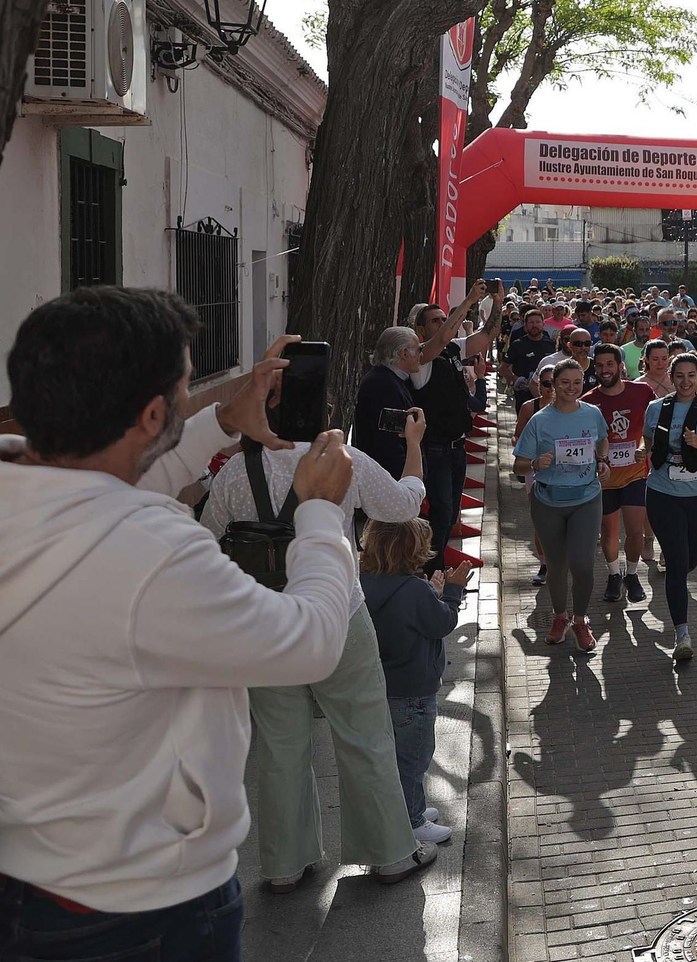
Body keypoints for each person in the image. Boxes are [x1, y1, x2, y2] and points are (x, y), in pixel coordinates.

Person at [0, 288, 366, 959]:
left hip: (25, 898)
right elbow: (311, 640)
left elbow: (94, 498)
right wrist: (323, 515)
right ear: (154, 413)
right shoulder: (151, 554)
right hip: (150, 911)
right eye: (183, 397)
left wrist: (218, 419)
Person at [202, 399, 445, 889]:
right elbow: (403, 507)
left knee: (280, 744)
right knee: (364, 733)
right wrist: (413, 449)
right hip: (339, 612)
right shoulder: (343, 459)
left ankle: (285, 864)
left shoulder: (233, 472)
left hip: (262, 620)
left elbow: (207, 539)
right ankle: (390, 853)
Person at [359, 520, 470, 845]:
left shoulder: (367, 583)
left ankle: (410, 807)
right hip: (415, 691)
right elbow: (442, 623)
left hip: (384, 686)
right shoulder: (413, 589)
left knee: (395, 756)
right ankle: (412, 820)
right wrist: (452, 592)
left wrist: (432, 593)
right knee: (415, 758)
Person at [512, 360, 611, 652]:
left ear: (584, 383)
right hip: (548, 500)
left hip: (586, 497)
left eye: (577, 382)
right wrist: (534, 463)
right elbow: (517, 465)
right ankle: (559, 618)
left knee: (582, 564)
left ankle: (580, 620)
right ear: (553, 384)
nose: (571, 388)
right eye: (565, 382)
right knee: (556, 565)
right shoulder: (540, 420)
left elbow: (603, 440)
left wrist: (602, 461)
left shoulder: (592, 413)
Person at [644, 353, 697, 660]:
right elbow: (647, 440)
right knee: (678, 565)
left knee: (690, 560)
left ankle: (677, 572)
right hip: (661, 492)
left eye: (691, 376)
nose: (685, 381)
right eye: (679, 375)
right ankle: (682, 633)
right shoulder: (656, 408)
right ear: (671, 376)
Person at [410, 283, 502, 570]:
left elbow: (487, 335)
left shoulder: (452, 348)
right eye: (435, 320)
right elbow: (444, 336)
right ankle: (432, 572)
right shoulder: (421, 356)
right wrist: (471, 300)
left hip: (457, 447)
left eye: (442, 318)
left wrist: (497, 303)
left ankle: (435, 568)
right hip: (435, 449)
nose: (443, 324)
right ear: (421, 330)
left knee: (449, 516)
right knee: (441, 514)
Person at [583, 344, 655, 604]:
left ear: (620, 366)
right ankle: (614, 574)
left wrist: (645, 448)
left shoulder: (643, 391)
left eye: (609, 364)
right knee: (609, 532)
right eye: (600, 365)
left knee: (635, 531)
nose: (604, 370)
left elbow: (653, 428)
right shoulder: (588, 401)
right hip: (605, 480)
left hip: (636, 474)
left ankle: (632, 574)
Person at [354, 326, 424, 478]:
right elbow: (388, 444)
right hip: (389, 480)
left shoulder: (391, 380)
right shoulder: (382, 384)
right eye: (418, 350)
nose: (421, 355)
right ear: (404, 353)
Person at [517, 366, 556, 586]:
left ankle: (560, 561)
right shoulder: (528, 408)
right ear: (538, 384)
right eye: (546, 384)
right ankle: (544, 564)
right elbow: (517, 437)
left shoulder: (574, 408)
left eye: (553, 383)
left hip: (566, 472)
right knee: (540, 519)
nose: (550, 389)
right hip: (536, 470)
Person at [504, 307, 554, 405]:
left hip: (547, 394)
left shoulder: (551, 344)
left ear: (543, 324)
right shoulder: (517, 344)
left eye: (538, 322)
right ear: (525, 325)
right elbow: (503, 368)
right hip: (524, 395)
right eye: (531, 322)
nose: (534, 325)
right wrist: (516, 379)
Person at [622, 313, 653, 377]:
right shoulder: (623, 350)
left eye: (647, 330)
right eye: (641, 330)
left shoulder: (657, 348)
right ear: (634, 330)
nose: (644, 333)